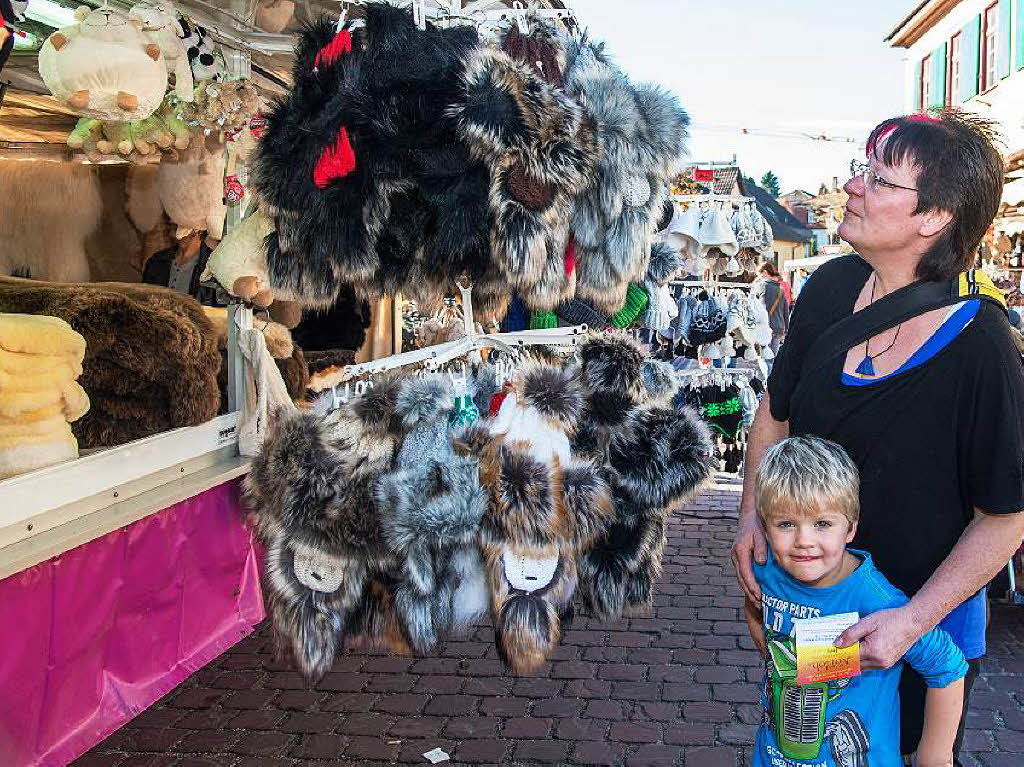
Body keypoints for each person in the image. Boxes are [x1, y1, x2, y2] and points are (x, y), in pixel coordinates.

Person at [731, 110, 1024, 763]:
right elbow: (775, 416)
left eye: (879, 179)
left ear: (934, 218)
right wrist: (751, 511)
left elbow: (1005, 519)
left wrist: (910, 622)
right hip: (812, 611)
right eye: (862, 169)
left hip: (921, 638)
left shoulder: (981, 345)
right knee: (804, 748)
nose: (854, 186)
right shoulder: (830, 287)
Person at [749, 436, 967, 767]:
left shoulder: (876, 599)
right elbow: (755, 608)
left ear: (850, 528)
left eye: (822, 523)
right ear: (765, 526)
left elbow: (947, 665)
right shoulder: (765, 571)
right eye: (786, 523)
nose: (804, 541)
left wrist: (934, 756)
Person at [758, 262, 791, 356]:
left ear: (764, 272)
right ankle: (771, 371)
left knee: (763, 356)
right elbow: (786, 311)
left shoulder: (761, 286)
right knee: (772, 356)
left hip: (765, 326)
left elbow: (759, 306)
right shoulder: (781, 289)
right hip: (778, 327)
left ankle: (767, 371)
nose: (759, 278)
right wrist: (786, 329)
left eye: (760, 275)